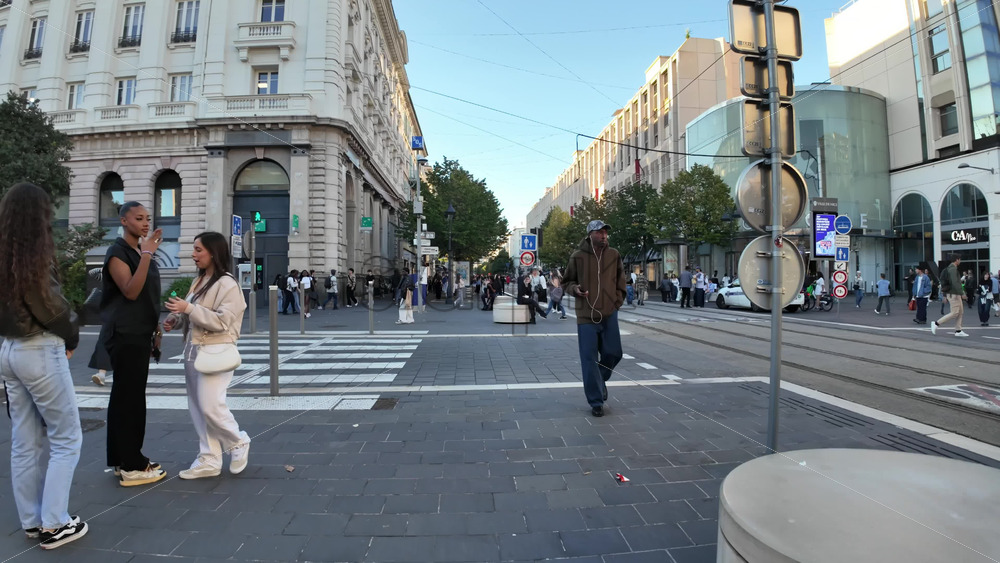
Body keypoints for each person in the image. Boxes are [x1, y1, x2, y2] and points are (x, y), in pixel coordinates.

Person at [0, 183, 88, 549]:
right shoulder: (32, 254)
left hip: (8, 349)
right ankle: (55, 523)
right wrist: (71, 334)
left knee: (25, 440)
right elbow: (49, 305)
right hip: (39, 348)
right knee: (67, 437)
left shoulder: (5, 253)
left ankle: (34, 522)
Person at [164, 232, 251, 479]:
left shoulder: (228, 284)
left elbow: (223, 321)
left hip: (216, 351)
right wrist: (176, 317)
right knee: (198, 408)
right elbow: (193, 314)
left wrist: (188, 308)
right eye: (194, 249)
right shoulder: (200, 280)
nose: (194, 254)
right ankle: (209, 458)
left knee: (211, 406)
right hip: (193, 350)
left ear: (213, 252)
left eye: (198, 250)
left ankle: (238, 441)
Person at [100, 201, 166, 486]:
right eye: (138, 218)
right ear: (123, 220)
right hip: (125, 334)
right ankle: (132, 463)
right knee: (130, 400)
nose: (145, 223)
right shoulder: (118, 252)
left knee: (125, 397)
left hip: (139, 332)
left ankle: (120, 459)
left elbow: (147, 296)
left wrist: (156, 327)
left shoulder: (139, 251)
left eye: (147, 218)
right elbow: (130, 291)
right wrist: (148, 254)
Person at [562, 220, 626, 418]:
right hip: (586, 315)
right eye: (599, 232)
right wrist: (575, 289)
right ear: (590, 234)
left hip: (609, 313)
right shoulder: (578, 256)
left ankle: (599, 380)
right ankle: (596, 401)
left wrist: (617, 302)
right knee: (589, 359)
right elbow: (566, 282)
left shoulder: (614, 254)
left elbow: (621, 280)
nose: (604, 235)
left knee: (614, 353)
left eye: (606, 232)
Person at [931, 254, 968, 337]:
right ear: (957, 260)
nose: (960, 261)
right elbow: (955, 283)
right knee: (955, 313)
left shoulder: (951, 268)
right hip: (953, 294)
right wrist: (962, 293)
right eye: (959, 260)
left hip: (954, 293)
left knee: (960, 312)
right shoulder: (952, 269)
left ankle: (958, 330)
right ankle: (936, 323)